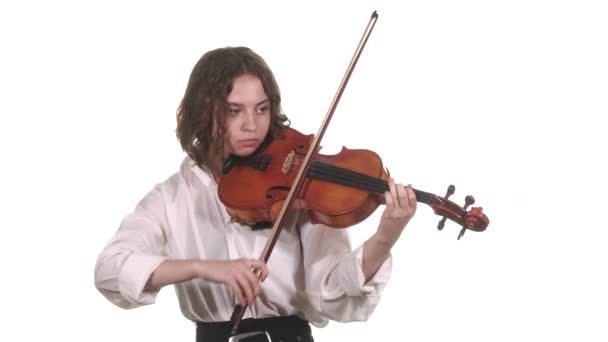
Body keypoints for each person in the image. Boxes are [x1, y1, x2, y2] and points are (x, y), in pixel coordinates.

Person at [94, 46, 417, 342]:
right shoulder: (171, 197)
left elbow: (333, 295)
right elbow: (110, 270)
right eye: (234, 111)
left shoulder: (298, 183)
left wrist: (385, 237)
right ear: (203, 112)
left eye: (261, 109)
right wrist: (201, 268)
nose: (251, 125)